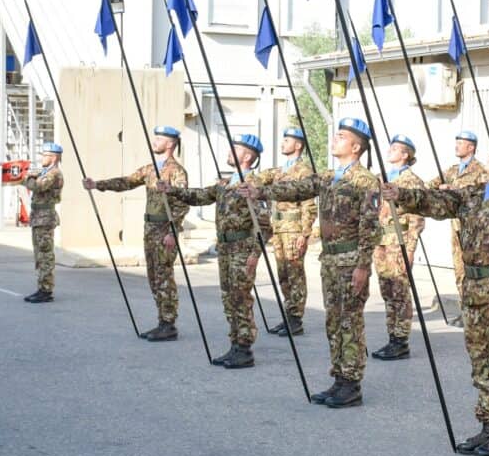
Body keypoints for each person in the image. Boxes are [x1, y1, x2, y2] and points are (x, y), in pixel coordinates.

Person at [384, 131, 489, 456]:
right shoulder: (474, 193)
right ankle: (487, 424)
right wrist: (399, 193)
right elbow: (438, 203)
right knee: (480, 363)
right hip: (474, 290)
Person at [238, 118, 379, 408]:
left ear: (355, 146)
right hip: (330, 258)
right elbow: (297, 189)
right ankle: (339, 378)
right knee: (334, 321)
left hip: (351, 259)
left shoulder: (365, 181)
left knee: (350, 322)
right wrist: (261, 191)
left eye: (341, 136)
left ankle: (352, 384)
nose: (334, 139)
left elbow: (370, 226)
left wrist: (363, 266)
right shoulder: (328, 176)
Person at [158, 134, 271, 369]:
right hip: (226, 248)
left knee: (241, 298)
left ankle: (244, 348)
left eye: (236, 148)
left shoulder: (253, 185)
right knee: (229, 297)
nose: (230, 151)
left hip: (242, 249)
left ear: (248, 156)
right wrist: (172, 191)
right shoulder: (224, 183)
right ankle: (235, 344)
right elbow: (199, 196)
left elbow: (265, 225)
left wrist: (254, 254)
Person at [83, 125, 189, 341]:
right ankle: (162, 320)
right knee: (153, 276)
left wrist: (173, 231)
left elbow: (182, 201)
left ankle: (169, 324)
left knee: (164, 277)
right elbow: (127, 182)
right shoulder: (150, 169)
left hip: (164, 229)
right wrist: (97, 185)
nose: (155, 142)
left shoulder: (176, 171)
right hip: (150, 229)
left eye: (159, 139)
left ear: (170, 144)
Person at [253, 126, 317, 336]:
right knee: (283, 274)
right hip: (279, 229)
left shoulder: (304, 171)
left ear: (298, 145)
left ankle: (296, 319)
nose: (283, 143)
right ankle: (288, 314)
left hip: (293, 229)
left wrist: (304, 234)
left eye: (287, 140)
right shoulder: (280, 171)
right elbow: (259, 179)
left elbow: (309, 204)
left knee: (294, 273)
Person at [370, 134, 425, 361]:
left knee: (400, 290)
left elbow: (417, 218)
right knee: (387, 291)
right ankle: (392, 336)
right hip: (380, 242)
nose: (390, 150)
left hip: (398, 242)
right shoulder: (380, 178)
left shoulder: (411, 181)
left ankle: (401, 340)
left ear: (405, 155)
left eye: (396, 148)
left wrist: (410, 249)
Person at [428, 130, 487, 327]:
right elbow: (430, 186)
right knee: (459, 270)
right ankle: (465, 310)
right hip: (455, 227)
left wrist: (454, 191)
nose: (457, 146)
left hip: (474, 229)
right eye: (457, 142)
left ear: (471, 147)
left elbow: (484, 197)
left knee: (474, 270)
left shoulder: (481, 171)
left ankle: (475, 310)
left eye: (461, 143)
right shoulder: (452, 171)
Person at [23, 142, 64, 303]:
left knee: (45, 255)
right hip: (39, 217)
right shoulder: (45, 172)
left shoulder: (54, 173)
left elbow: (37, 186)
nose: (42, 158)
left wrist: (25, 176)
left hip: (45, 218)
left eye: (45, 155)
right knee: (39, 254)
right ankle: (41, 287)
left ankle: (46, 290)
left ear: (53, 157)